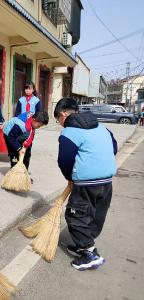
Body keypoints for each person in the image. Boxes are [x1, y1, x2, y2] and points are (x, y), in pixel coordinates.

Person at [54, 97, 117, 271]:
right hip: (107, 181)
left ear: (63, 114)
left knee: (75, 216)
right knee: (95, 214)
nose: (60, 124)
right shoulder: (101, 127)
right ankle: (83, 246)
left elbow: (65, 160)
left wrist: (70, 177)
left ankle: (90, 253)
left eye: (58, 119)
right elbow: (114, 147)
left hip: (86, 183)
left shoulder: (69, 132)